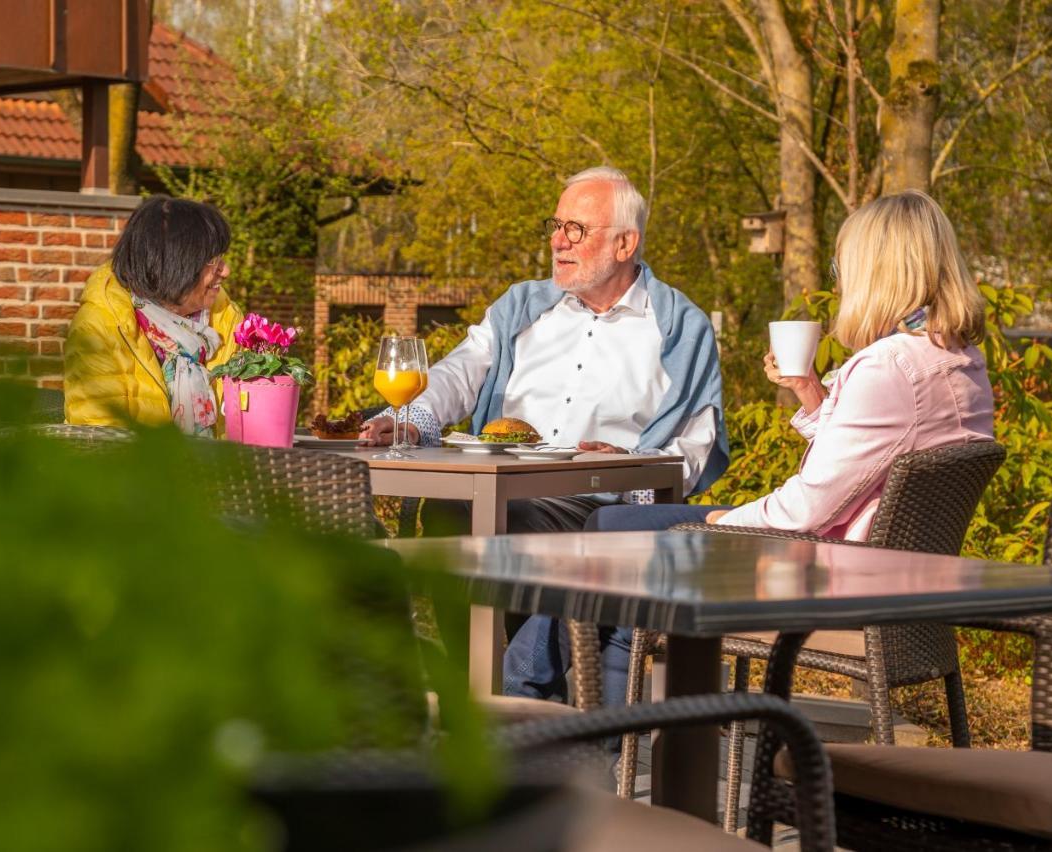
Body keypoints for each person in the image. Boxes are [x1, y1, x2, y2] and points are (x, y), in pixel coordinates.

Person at [584, 190, 995, 703]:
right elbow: (876, 458)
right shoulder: (958, 359)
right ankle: (562, 706)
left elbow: (804, 510)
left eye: (840, 266)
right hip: (896, 578)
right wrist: (809, 393)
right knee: (623, 535)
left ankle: (582, 736)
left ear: (874, 271)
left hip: (834, 575)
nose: (838, 280)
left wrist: (718, 522)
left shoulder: (888, 366)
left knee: (610, 535)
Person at [359, 166, 730, 703]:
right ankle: (481, 689)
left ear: (626, 243)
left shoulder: (678, 324)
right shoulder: (522, 305)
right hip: (499, 489)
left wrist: (631, 462)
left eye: (577, 229)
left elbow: (695, 445)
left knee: (520, 526)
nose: (558, 240)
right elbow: (461, 370)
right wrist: (410, 417)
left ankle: (511, 697)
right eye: (556, 225)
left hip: (596, 503)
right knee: (449, 513)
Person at [64, 196, 240, 436]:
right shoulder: (101, 327)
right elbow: (99, 444)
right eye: (212, 261)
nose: (226, 271)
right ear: (172, 264)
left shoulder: (226, 319)